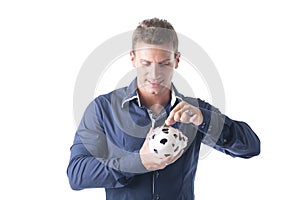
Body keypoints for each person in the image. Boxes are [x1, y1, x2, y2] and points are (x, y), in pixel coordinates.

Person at [67, 18, 260, 200]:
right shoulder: (103, 109)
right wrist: (137, 163)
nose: (154, 74)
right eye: (146, 63)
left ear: (176, 60)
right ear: (133, 59)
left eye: (164, 64)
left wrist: (204, 120)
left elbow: (251, 147)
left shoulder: (195, 110)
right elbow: (77, 174)